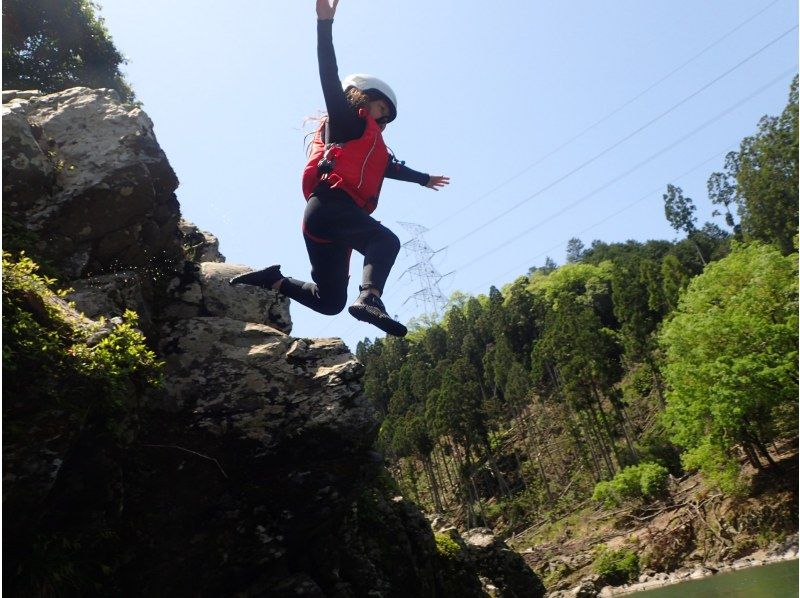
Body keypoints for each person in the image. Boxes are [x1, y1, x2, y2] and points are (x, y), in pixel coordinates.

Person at [230, 0, 449, 338]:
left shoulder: (365, 139)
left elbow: (386, 167)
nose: (382, 119)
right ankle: (370, 297)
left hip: (329, 223)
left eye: (386, 117)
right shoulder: (347, 121)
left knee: (330, 301)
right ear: (362, 98)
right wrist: (324, 25)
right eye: (380, 109)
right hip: (329, 207)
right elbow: (328, 75)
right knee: (386, 241)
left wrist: (423, 179)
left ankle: (274, 279)